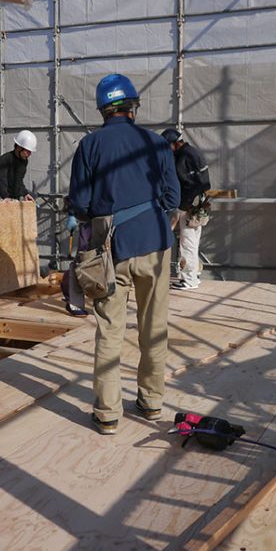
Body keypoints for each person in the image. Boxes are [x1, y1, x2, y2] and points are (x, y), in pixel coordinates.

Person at [67, 73, 180, 435]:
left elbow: (80, 203)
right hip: (155, 245)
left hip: (111, 250)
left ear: (103, 110)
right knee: (154, 327)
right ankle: (151, 402)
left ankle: (107, 414)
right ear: (132, 107)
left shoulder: (90, 145)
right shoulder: (156, 143)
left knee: (110, 329)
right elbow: (173, 198)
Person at [161, 128, 212, 290]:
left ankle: (189, 280)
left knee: (187, 242)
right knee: (193, 241)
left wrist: (182, 207)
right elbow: (203, 183)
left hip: (189, 206)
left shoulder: (184, 157)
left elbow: (188, 185)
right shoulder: (193, 152)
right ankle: (194, 275)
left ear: (175, 143)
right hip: (198, 204)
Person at [0, 130, 37, 201]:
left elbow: (19, 181)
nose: (29, 154)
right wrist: (5, 196)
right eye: (27, 151)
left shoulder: (24, 161)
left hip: (15, 198)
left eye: (30, 152)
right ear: (19, 148)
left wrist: (25, 194)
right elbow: (0, 180)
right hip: (3, 198)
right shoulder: (5, 159)